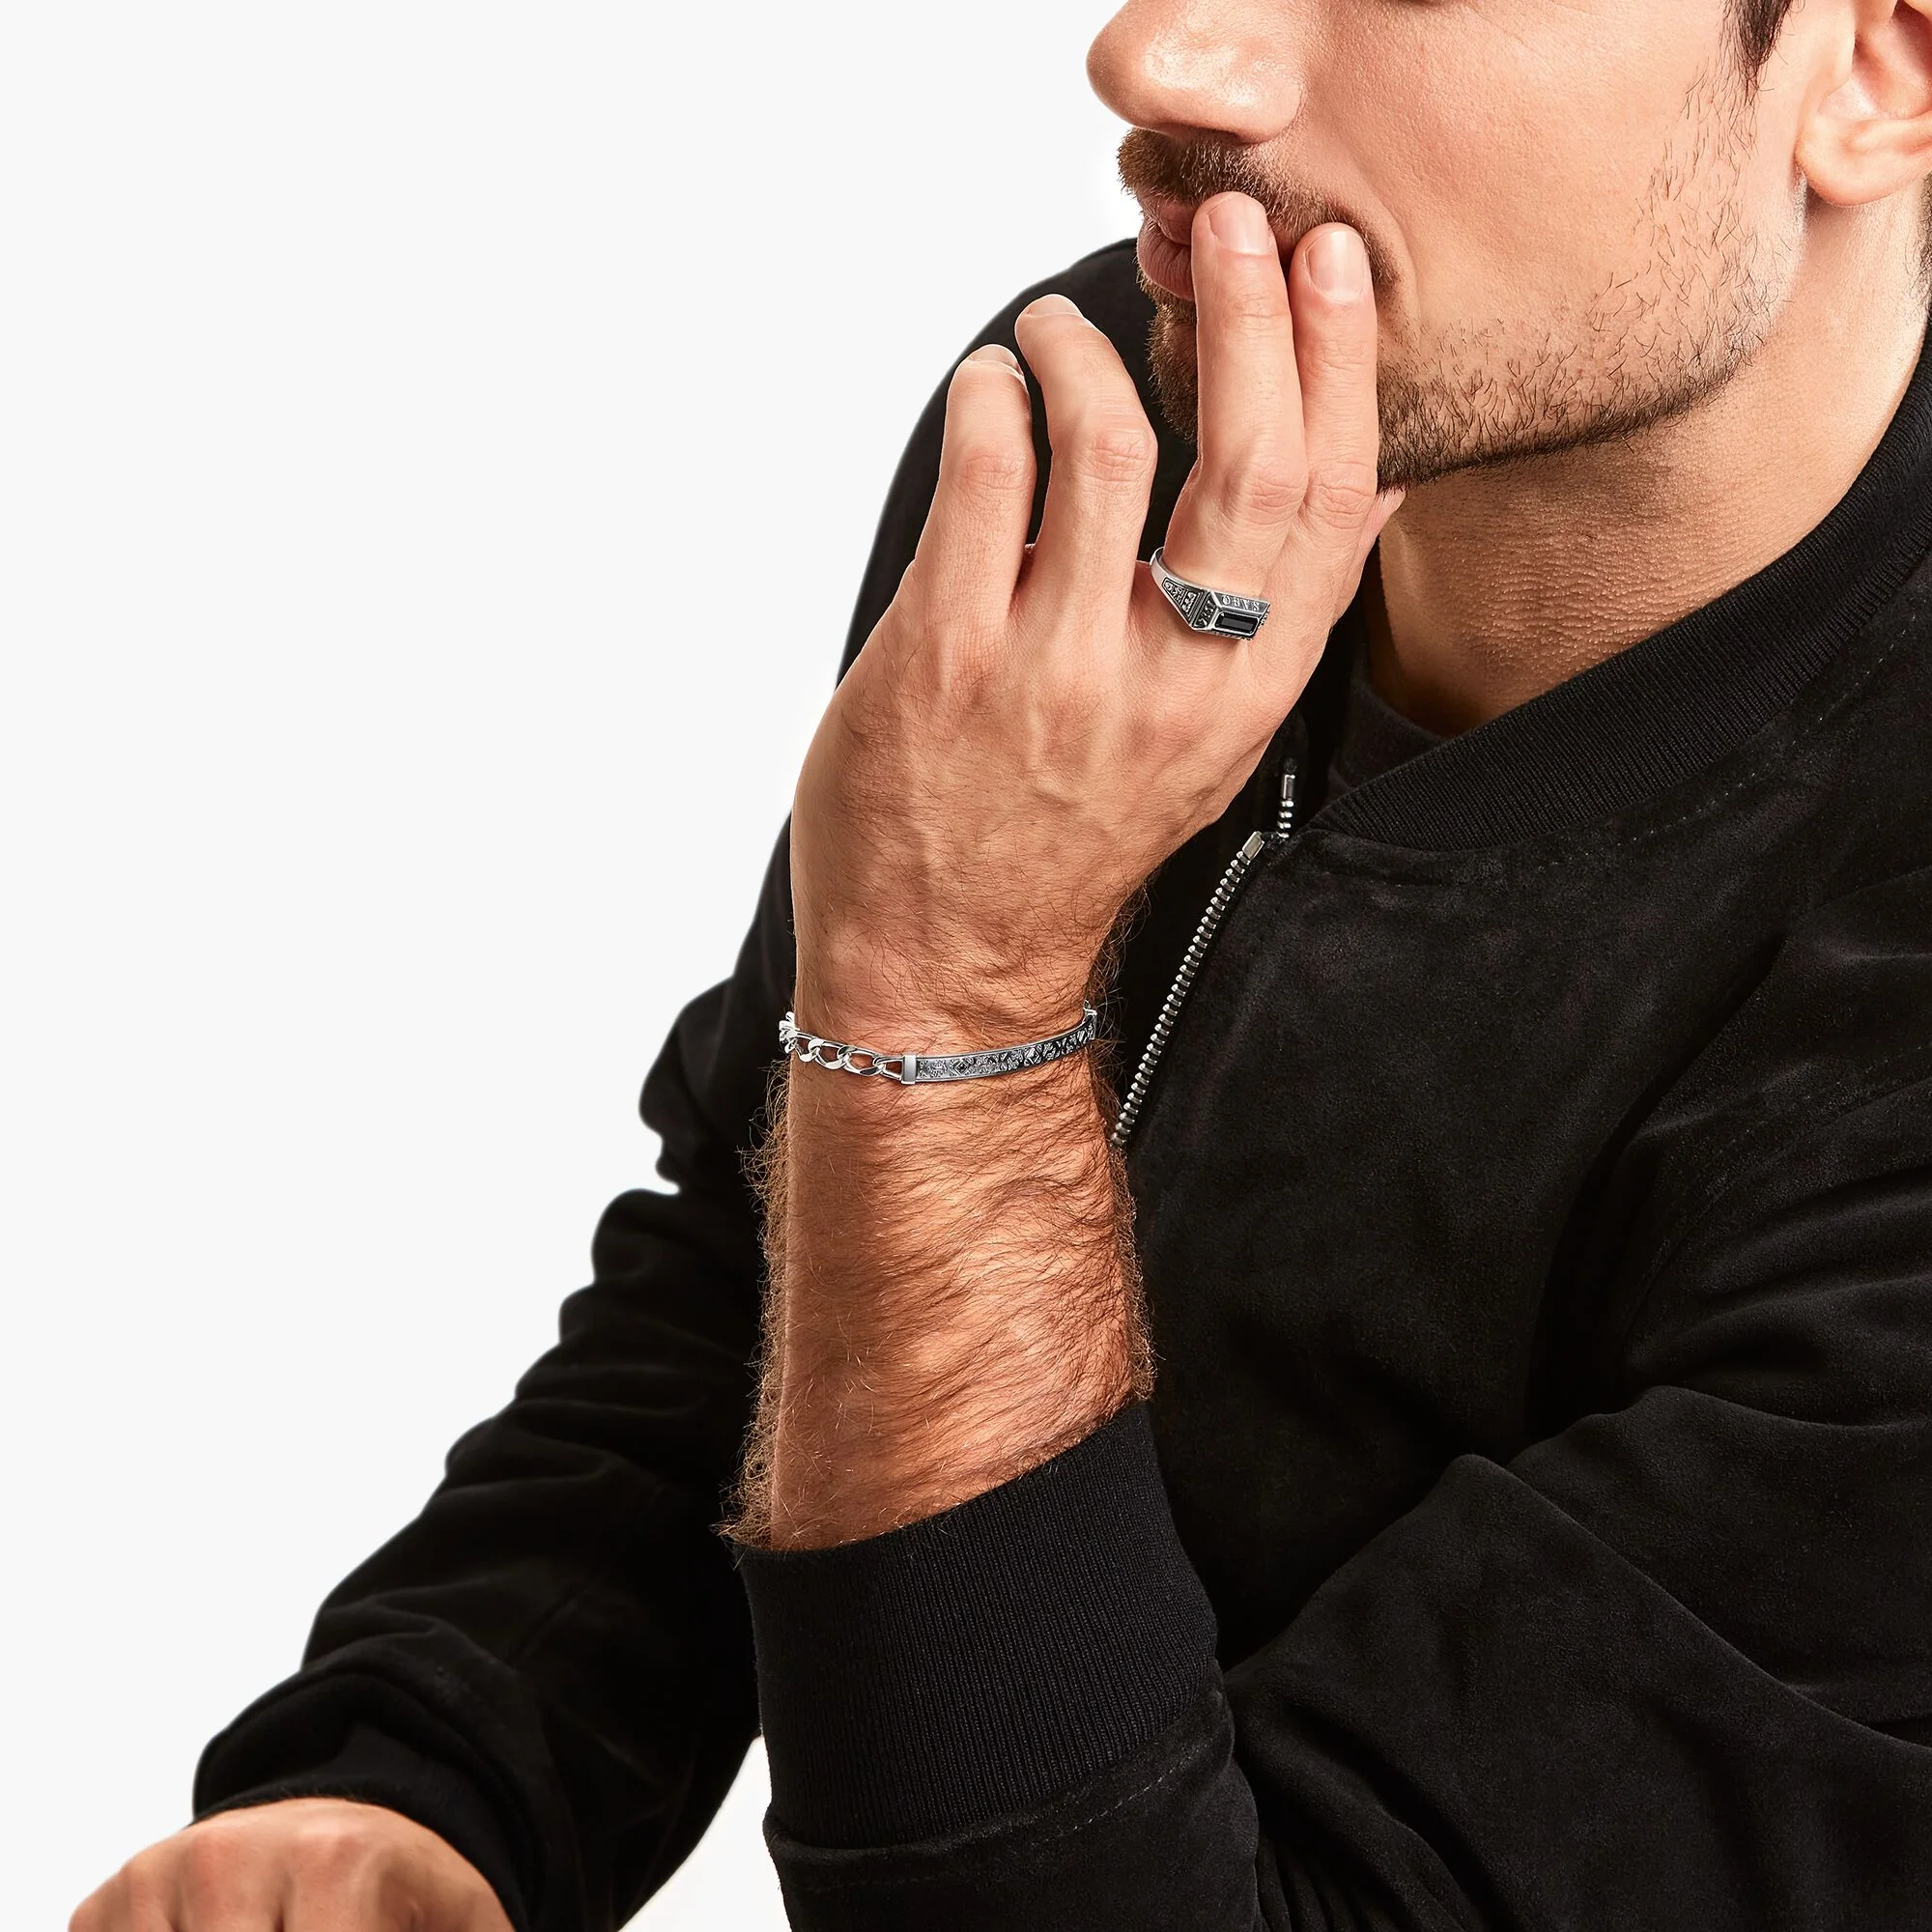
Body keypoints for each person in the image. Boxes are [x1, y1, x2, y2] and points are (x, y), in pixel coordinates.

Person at [74, 0, 1932, 1925]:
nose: (1155, 55)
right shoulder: (1115, 435)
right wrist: (429, 1779)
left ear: (1877, 65)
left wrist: (953, 993)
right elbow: (776, 1250)